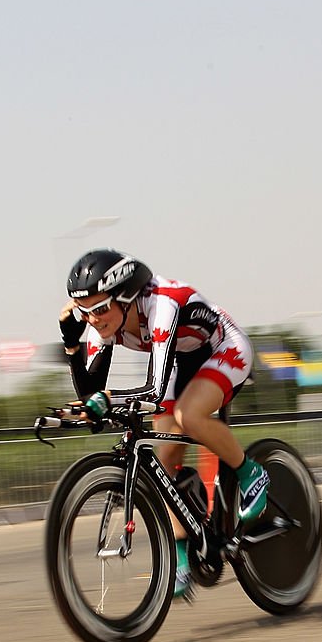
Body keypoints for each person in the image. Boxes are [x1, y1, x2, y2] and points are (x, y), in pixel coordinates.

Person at [59, 249, 268, 599]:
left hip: (223, 346)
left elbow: (154, 390)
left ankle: (250, 472)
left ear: (126, 297)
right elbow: (92, 399)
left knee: (188, 416)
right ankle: (183, 551)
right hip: (182, 360)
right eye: (84, 311)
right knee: (164, 452)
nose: (92, 320)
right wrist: (70, 344)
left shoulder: (161, 304)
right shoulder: (103, 325)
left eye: (98, 309)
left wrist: (109, 399)